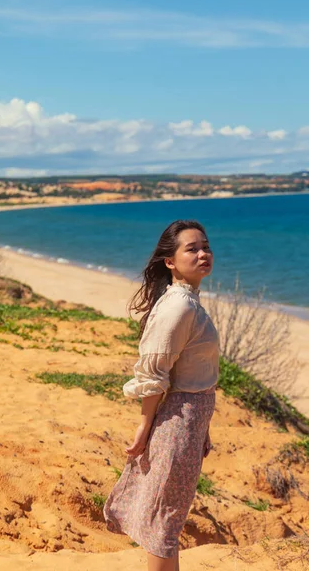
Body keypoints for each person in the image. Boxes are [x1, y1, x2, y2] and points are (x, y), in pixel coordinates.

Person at [103, 219, 220, 571]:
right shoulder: (179, 306)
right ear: (170, 261)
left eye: (205, 246)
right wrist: (144, 427)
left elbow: (189, 372)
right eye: (192, 248)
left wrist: (203, 428)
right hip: (177, 423)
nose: (203, 253)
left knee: (167, 519)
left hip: (189, 421)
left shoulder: (187, 301)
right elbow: (154, 373)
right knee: (164, 523)